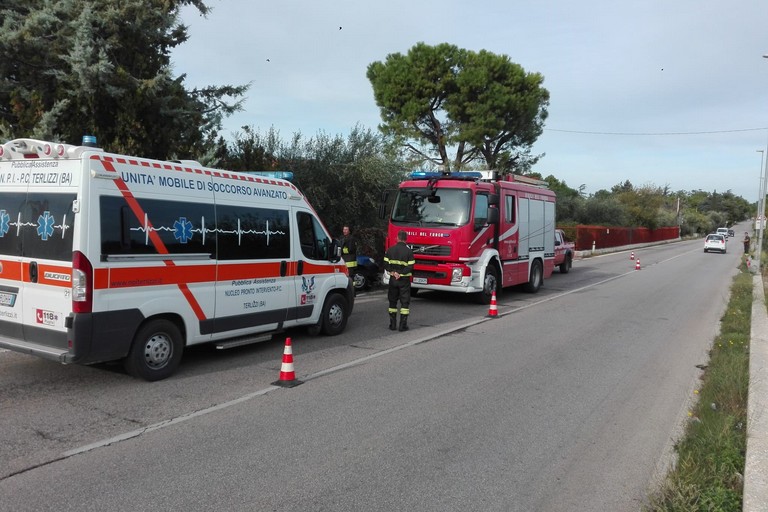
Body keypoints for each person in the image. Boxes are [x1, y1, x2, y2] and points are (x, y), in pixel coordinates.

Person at [384, 230, 415, 331]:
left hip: (393, 280)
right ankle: (402, 325)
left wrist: (393, 273)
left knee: (392, 301)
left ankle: (392, 325)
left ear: (397, 238)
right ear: (406, 239)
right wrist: (401, 274)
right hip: (404, 280)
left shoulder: (390, 250)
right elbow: (410, 267)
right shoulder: (409, 252)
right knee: (404, 303)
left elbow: (385, 265)